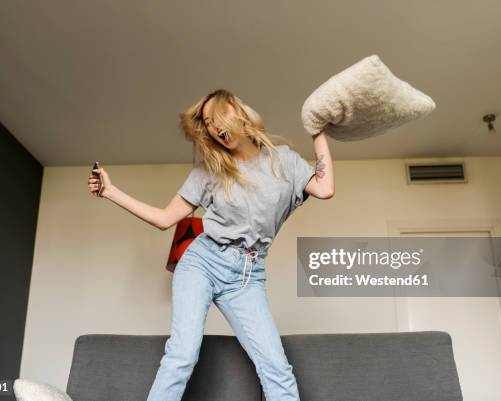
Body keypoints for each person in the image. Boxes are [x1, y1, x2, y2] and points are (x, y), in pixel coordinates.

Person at [87, 89, 334, 401]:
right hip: (202, 263)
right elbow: (165, 218)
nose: (215, 128)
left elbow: (324, 188)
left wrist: (319, 133)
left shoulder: (284, 161)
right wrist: (110, 192)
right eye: (207, 123)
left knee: (276, 367)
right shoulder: (209, 171)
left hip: (247, 277)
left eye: (218, 117)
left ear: (238, 112)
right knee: (182, 355)